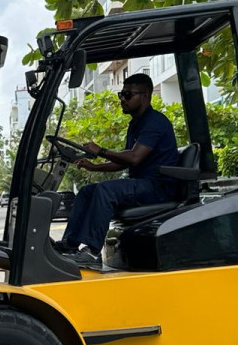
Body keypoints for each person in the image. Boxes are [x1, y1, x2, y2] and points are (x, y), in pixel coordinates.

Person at [55, 73, 182, 264]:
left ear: (145, 96)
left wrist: (100, 150)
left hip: (158, 187)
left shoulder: (155, 122)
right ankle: (70, 244)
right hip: (141, 184)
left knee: (106, 191)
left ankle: (92, 251)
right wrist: (94, 167)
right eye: (121, 94)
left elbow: (134, 157)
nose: (122, 98)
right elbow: (125, 160)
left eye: (128, 94)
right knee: (88, 191)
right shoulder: (136, 124)